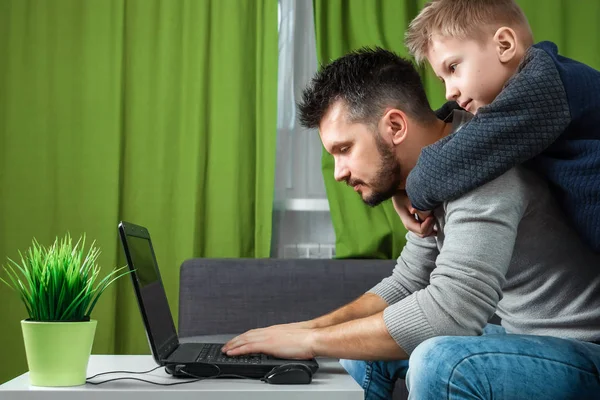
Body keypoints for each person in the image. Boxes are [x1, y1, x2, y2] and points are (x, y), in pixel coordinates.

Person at [222, 48, 600, 399]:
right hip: (529, 341)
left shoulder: (479, 165)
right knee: (361, 349)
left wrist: (310, 344)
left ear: (396, 126)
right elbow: (408, 282)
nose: (338, 172)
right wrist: (310, 329)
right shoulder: (435, 169)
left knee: (439, 361)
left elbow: (450, 314)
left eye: (344, 149)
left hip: (584, 352)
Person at [398, 0, 600, 252]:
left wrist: (411, 187)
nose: (449, 92)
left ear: (504, 45)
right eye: (442, 80)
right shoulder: (526, 92)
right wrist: (402, 187)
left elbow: (451, 162)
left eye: (453, 67)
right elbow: (449, 123)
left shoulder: (543, 87)